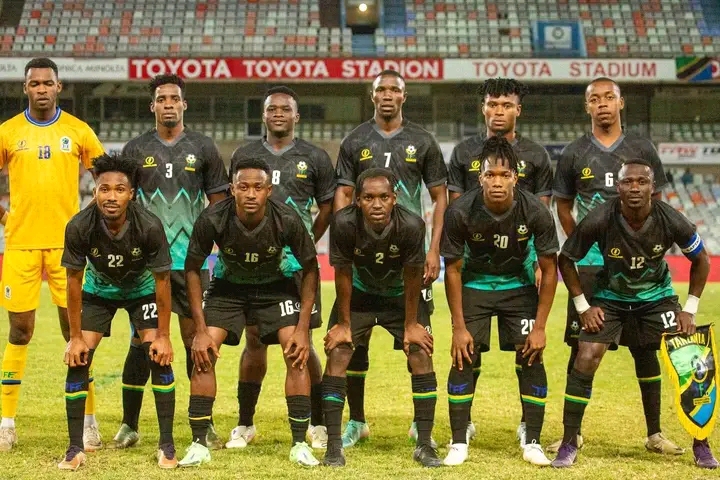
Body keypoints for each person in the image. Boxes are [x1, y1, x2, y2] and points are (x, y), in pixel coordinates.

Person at [551, 159, 716, 469]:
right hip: (610, 298)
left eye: (642, 182)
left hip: (657, 299)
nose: (635, 187)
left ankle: (701, 442)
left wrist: (690, 309)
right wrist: (584, 307)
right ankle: (569, 441)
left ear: (653, 187)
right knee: (586, 355)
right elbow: (566, 259)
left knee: (692, 354)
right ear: (619, 187)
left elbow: (702, 260)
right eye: (628, 182)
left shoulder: (670, 218)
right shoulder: (601, 217)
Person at [549, 76, 681, 455]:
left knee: (646, 349)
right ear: (587, 106)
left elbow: (658, 203)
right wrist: (586, 245)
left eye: (609, 97)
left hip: (638, 269)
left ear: (621, 103)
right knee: (582, 348)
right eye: (595, 99)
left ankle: (655, 434)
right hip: (592, 267)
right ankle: (572, 434)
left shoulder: (642, 147)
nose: (603, 104)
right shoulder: (574, 152)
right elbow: (563, 206)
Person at [178, 157, 320, 467]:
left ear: (269, 190)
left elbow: (311, 268)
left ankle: (299, 443)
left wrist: (302, 329)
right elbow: (192, 269)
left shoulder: (286, 218)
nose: (251, 193)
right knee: (203, 354)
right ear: (232, 189)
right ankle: (199, 443)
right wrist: (200, 331)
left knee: (295, 352)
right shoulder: (213, 217)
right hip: (228, 288)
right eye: (243, 187)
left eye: (258, 187)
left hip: (276, 287)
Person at [333, 69, 448, 448]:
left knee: (418, 342)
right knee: (354, 345)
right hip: (364, 261)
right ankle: (357, 422)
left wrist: (433, 248)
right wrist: (346, 235)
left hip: (409, 259)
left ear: (404, 96)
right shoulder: (355, 140)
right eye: (380, 89)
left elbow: (440, 197)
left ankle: (420, 424)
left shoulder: (422, 140)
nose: (386, 95)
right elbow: (343, 194)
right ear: (372, 96)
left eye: (393, 89)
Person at [114, 74, 228, 449]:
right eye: (161, 98)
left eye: (174, 98)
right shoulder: (135, 149)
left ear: (184, 104)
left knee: (198, 340)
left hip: (191, 264)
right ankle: (130, 424)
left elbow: (218, 205)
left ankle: (203, 423)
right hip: (147, 266)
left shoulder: (203, 147)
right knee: (142, 341)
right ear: (152, 106)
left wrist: (215, 248)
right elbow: (124, 203)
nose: (168, 104)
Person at [0, 57, 106, 452]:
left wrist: (90, 219)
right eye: (35, 83)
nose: (41, 89)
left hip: (68, 249)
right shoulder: (8, 132)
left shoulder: (77, 131)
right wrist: (6, 217)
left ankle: (89, 421)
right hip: (20, 245)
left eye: (48, 83)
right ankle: (6, 422)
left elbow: (108, 179)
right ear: (25, 88)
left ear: (59, 87)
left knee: (76, 333)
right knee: (19, 331)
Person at [227, 86, 335, 450]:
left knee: (302, 343)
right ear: (263, 115)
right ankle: (245, 423)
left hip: (297, 268)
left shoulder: (315, 157)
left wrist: (305, 241)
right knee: (254, 341)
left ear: (296, 116)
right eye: (272, 108)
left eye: (285, 109)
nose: (278, 114)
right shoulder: (245, 155)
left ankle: (317, 423)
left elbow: (328, 206)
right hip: (254, 267)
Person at [447, 77, 553, 446]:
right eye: (492, 104)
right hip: (474, 270)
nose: (498, 111)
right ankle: (463, 424)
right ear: (483, 108)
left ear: (518, 110)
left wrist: (537, 263)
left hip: (519, 270)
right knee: (468, 349)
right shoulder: (463, 152)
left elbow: (541, 213)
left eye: (506, 105)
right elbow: (458, 210)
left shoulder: (536, 155)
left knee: (529, 351)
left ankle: (529, 426)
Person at [59, 153, 176, 470]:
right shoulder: (79, 225)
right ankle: (74, 449)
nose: (111, 196)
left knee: (157, 353)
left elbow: (163, 281)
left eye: (119, 189)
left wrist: (163, 336)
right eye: (104, 189)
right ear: (94, 191)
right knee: (79, 356)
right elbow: (73, 280)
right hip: (99, 291)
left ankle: (167, 446)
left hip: (142, 289)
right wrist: (74, 338)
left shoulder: (149, 225)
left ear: (131, 194)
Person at [323, 168, 440, 468]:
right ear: (357, 200)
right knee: (338, 352)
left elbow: (413, 275)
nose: (377, 204)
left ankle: (424, 444)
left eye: (384, 197)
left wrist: (411, 325)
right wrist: (344, 325)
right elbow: (342, 272)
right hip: (360, 295)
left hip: (400, 296)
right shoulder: (343, 223)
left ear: (394, 198)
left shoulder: (411, 225)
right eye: (369, 198)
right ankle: (333, 448)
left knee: (420, 352)